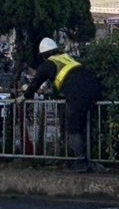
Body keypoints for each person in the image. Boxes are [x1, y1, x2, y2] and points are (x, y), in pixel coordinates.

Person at [21, 37, 104, 172]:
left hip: (78, 94)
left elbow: (35, 83)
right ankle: (89, 159)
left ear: (44, 55)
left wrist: (24, 96)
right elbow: (64, 80)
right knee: (84, 124)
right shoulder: (66, 58)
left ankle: (81, 161)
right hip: (93, 88)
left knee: (73, 127)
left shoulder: (48, 64)